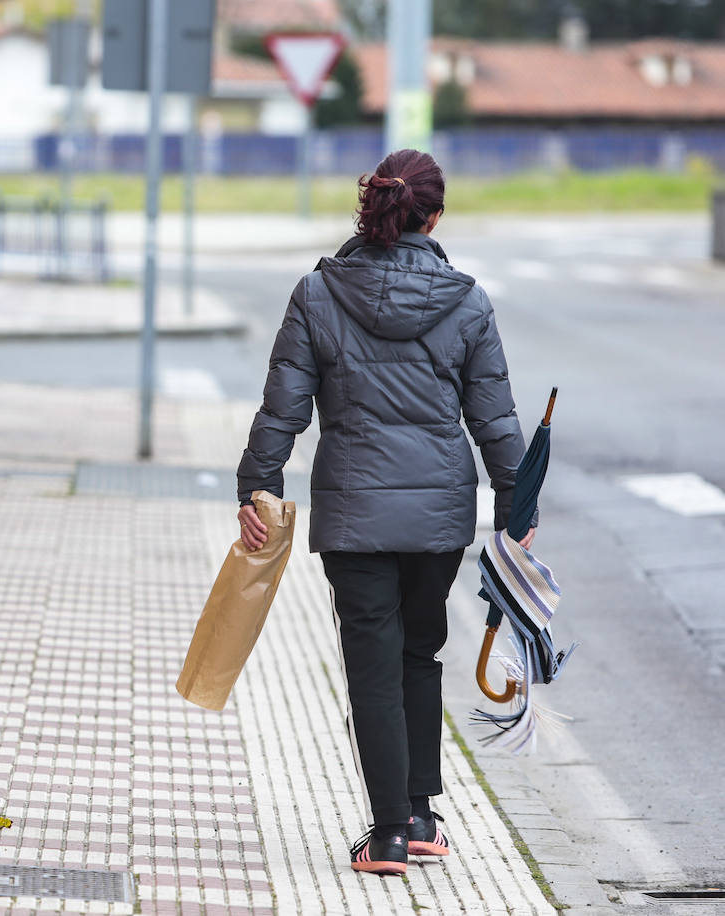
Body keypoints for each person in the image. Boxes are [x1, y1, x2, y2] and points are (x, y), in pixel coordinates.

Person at [235, 149, 533, 877]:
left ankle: (391, 833)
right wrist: (518, 508)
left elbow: (284, 407)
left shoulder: (318, 293)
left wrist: (256, 486)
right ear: (434, 216)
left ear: (372, 209)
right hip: (437, 518)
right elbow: (495, 420)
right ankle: (423, 816)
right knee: (419, 657)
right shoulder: (467, 301)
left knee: (372, 664)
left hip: (355, 513)